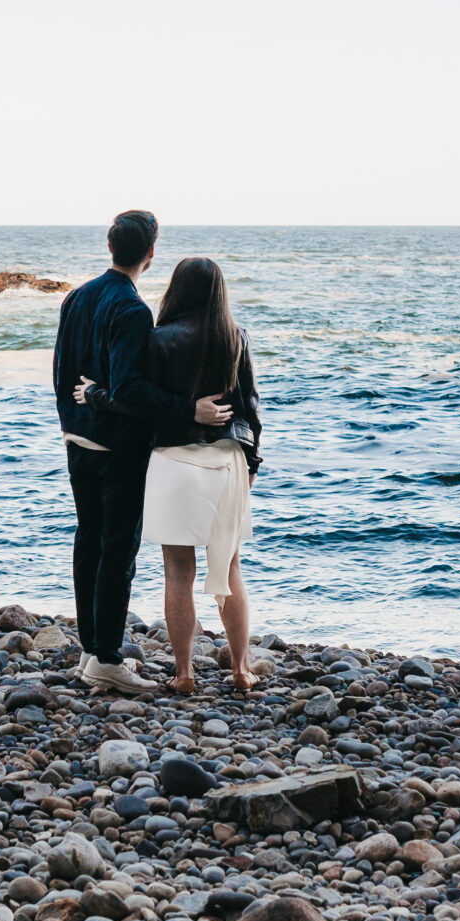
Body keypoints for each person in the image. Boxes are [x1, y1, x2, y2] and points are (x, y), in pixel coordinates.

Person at [52, 211, 230, 696]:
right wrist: (189, 409)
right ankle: (107, 657)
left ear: (112, 248)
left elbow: (61, 372)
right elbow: (130, 390)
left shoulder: (76, 297)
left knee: (88, 542)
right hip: (116, 447)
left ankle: (91, 650)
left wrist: (71, 422)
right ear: (150, 253)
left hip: (77, 439)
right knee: (117, 551)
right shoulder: (131, 310)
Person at [94, 257, 263, 693]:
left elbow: (138, 400)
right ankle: (242, 670)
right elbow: (250, 410)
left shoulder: (157, 339)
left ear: (177, 290)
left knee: (177, 572)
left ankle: (184, 673)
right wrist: (253, 465)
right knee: (229, 567)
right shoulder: (237, 338)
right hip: (227, 461)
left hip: (173, 461)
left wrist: (96, 395)